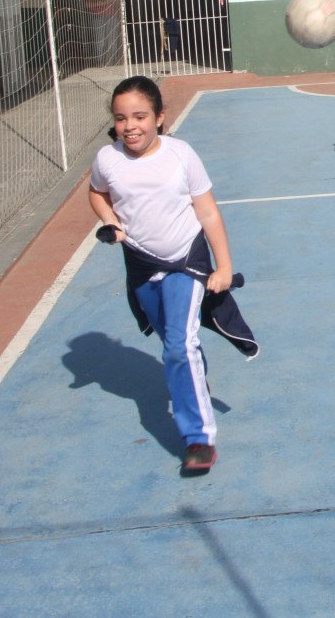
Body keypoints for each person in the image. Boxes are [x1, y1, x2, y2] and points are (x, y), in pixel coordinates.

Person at [88, 75, 237, 474]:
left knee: (177, 345)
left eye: (139, 116)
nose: (130, 126)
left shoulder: (180, 154)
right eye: (121, 118)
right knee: (175, 341)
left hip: (186, 260)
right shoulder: (108, 159)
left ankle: (198, 439)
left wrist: (223, 266)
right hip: (141, 265)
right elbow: (97, 192)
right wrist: (110, 221)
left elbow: (207, 211)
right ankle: (194, 376)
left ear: (160, 117)